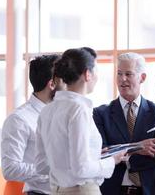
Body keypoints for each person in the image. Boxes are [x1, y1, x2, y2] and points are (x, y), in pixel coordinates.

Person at [35, 47, 125, 195]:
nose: (97, 77)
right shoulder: (79, 110)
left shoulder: (47, 110)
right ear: (87, 74)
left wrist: (93, 156)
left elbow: (41, 166)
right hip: (82, 190)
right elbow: (81, 168)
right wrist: (112, 160)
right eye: (96, 71)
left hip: (57, 190)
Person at [93, 52, 155, 195]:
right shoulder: (100, 113)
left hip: (150, 190)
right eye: (119, 74)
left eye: (128, 74)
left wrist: (124, 156)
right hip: (113, 190)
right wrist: (138, 147)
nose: (122, 79)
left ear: (142, 78)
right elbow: (102, 152)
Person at [1, 54, 61, 195]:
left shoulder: (62, 114)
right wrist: (52, 171)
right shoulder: (19, 119)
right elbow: (10, 169)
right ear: (52, 84)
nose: (69, 83)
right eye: (65, 77)